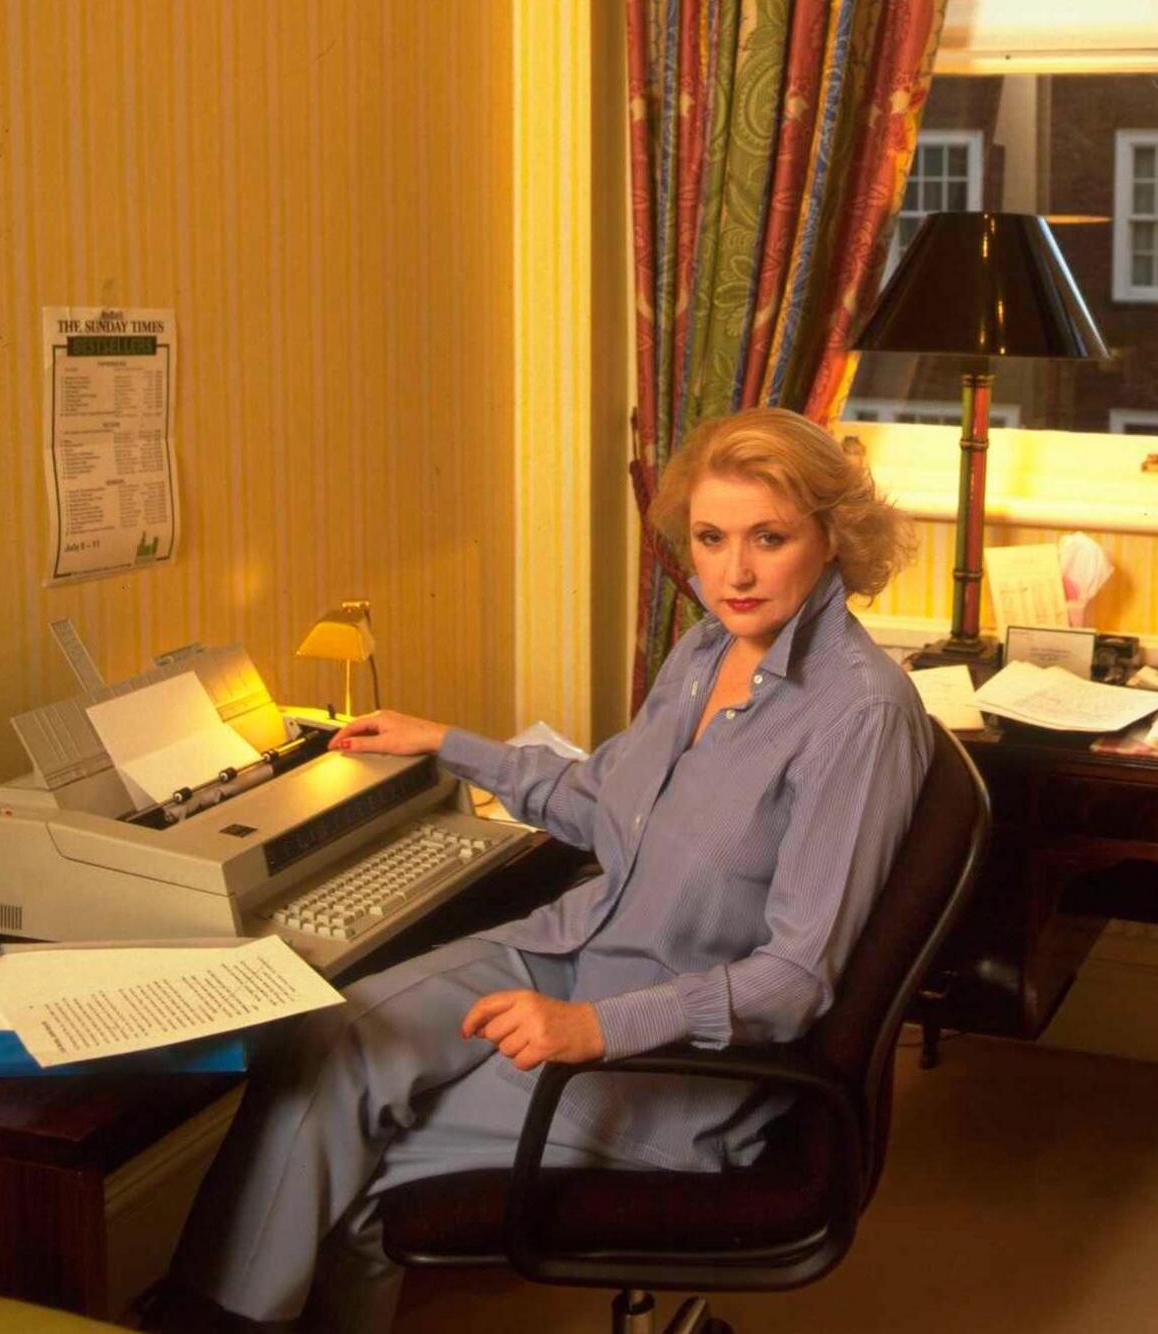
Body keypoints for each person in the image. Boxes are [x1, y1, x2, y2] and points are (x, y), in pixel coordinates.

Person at [159, 408, 931, 1334]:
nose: (735, 572)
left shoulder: (859, 716)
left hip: (667, 1054)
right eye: (711, 538)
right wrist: (448, 745)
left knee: (358, 1176)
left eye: (770, 538)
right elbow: (606, 802)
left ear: (833, 537)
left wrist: (596, 1027)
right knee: (325, 1037)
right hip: (572, 947)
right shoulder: (707, 648)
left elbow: (795, 980)